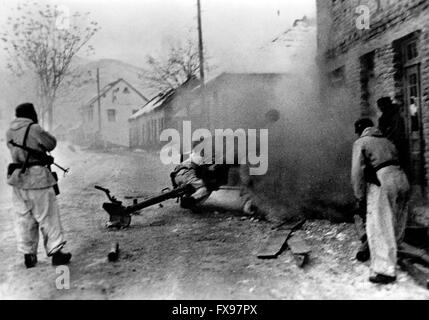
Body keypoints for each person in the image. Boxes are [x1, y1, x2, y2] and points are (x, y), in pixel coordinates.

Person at [6, 103, 71, 268]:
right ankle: (56, 253)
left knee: (25, 218)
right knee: (48, 216)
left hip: (18, 178)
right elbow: (51, 144)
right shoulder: (34, 128)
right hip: (37, 178)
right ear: (31, 114)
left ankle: (29, 255)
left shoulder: (9, 132)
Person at [351, 118, 410, 284]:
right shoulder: (387, 141)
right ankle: (394, 258)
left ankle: (385, 271)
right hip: (402, 179)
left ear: (360, 130)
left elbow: (357, 173)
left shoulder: (361, 142)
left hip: (383, 180)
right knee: (397, 222)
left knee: (379, 226)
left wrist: (359, 197)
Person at [377, 97, 408, 169]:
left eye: (381, 106)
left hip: (396, 143)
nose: (380, 108)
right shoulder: (392, 113)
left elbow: (395, 130)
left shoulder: (391, 115)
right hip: (396, 142)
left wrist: (387, 138)